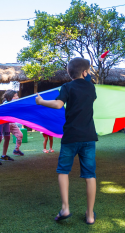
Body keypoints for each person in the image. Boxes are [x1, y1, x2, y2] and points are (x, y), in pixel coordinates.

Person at [36, 57, 98, 224]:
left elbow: (58, 105)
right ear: (85, 72)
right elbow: (89, 96)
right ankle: (90, 215)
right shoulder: (91, 87)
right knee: (90, 175)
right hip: (88, 137)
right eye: (88, 71)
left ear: (70, 73)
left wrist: (41, 101)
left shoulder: (67, 87)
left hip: (70, 137)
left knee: (63, 171)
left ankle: (65, 208)